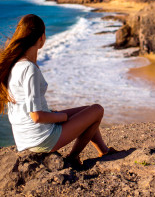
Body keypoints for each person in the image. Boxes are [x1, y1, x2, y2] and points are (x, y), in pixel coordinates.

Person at [0, 14, 115, 165]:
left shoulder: (16, 64)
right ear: (42, 38)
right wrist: (62, 117)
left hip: (25, 136)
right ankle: (73, 157)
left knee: (88, 110)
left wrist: (55, 115)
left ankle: (104, 151)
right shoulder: (28, 68)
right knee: (97, 110)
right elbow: (36, 116)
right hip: (41, 138)